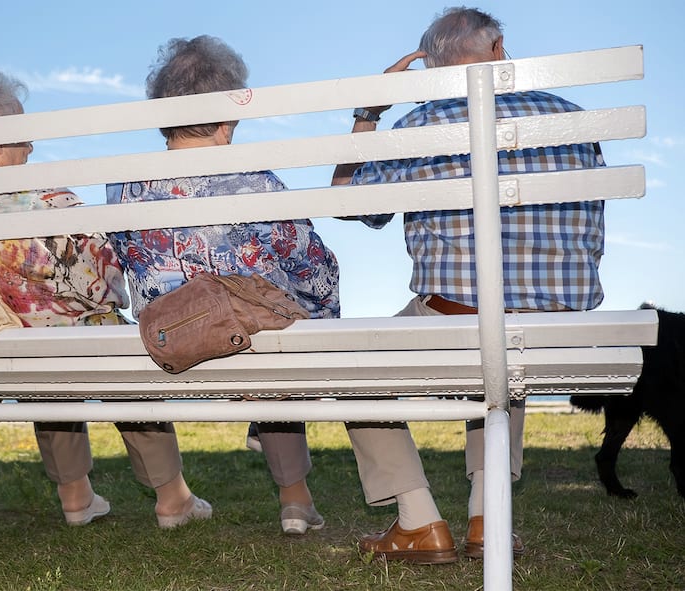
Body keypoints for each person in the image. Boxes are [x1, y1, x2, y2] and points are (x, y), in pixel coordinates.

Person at [0, 68, 211, 531]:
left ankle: (76, 495)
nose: (30, 148)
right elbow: (102, 287)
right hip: (50, 346)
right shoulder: (48, 201)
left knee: (46, 358)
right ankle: (172, 497)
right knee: (111, 344)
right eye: (24, 137)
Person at [333, 7, 606, 562]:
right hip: (558, 329)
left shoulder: (419, 127)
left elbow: (347, 200)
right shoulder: (576, 121)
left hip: (460, 322)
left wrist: (369, 109)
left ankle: (419, 522)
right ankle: (487, 518)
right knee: (505, 350)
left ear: (431, 69)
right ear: (498, 48)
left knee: (348, 365)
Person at [107, 35, 339, 535]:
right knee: (282, 319)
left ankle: (172, 498)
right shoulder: (253, 179)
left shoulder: (123, 182)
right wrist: (323, 305)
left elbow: (124, 257)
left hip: (165, 337)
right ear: (226, 118)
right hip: (242, 338)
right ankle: (294, 500)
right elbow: (307, 259)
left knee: (226, 320)